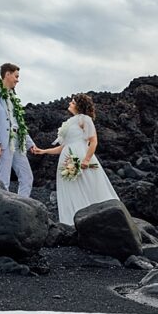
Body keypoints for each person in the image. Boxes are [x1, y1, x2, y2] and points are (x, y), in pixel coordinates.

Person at [33, 93, 120, 225]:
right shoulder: (70, 121)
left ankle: (97, 220)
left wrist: (86, 159)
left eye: (72, 102)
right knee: (71, 188)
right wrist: (43, 151)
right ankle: (72, 222)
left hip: (80, 156)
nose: (69, 104)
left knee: (87, 186)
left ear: (79, 106)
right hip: (67, 158)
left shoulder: (84, 119)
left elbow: (94, 141)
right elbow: (63, 147)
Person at [0, 62, 40, 196]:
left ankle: (22, 205)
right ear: (7, 74)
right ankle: (3, 209)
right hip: (2, 142)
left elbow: (19, 123)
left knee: (27, 177)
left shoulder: (13, 97)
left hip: (17, 142)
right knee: (3, 181)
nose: (17, 80)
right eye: (16, 76)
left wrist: (30, 143)